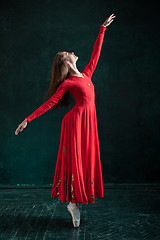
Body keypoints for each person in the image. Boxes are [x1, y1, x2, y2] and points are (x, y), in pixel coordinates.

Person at [15, 13, 116, 228]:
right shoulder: (68, 83)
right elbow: (50, 103)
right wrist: (28, 119)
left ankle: (75, 203)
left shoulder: (86, 74)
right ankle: (73, 202)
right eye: (67, 53)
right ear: (66, 62)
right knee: (76, 161)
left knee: (86, 159)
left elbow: (96, 54)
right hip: (75, 123)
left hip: (88, 123)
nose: (72, 52)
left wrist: (102, 29)